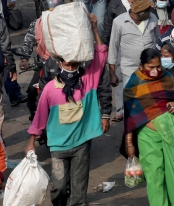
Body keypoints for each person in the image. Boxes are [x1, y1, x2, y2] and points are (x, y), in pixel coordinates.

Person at [26, 15, 111, 206]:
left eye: (74, 64)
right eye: (67, 64)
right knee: (58, 187)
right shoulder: (49, 89)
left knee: (79, 191)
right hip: (57, 146)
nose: (70, 68)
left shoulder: (88, 82)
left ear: (79, 64)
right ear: (59, 64)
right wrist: (31, 142)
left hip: (81, 144)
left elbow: (101, 54)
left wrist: (95, 29)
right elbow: (39, 117)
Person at [123, 48, 174, 206]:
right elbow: (130, 115)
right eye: (151, 67)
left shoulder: (167, 76)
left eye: (158, 66)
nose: (156, 70)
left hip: (170, 135)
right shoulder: (134, 82)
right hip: (147, 136)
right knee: (155, 178)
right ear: (141, 66)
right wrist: (129, 143)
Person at [109, 0, 160, 119]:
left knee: (149, 101)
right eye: (146, 11)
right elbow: (113, 48)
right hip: (129, 69)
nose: (149, 13)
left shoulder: (152, 19)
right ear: (137, 12)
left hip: (150, 69)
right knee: (131, 104)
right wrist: (112, 72)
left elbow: (159, 41)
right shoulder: (119, 22)